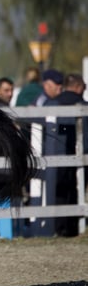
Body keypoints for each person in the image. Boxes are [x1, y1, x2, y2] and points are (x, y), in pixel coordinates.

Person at [44, 72, 87, 236]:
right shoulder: (83, 105)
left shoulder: (51, 104)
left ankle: (58, 227)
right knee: (77, 191)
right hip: (80, 154)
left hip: (54, 154)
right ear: (77, 87)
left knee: (57, 191)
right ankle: (73, 228)